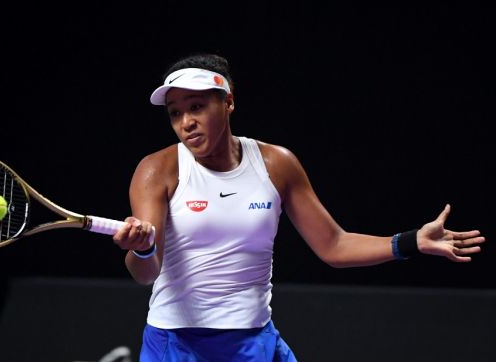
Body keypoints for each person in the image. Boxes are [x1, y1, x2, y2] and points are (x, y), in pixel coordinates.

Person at [111, 53, 485, 361]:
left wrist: (410, 241)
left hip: (255, 341)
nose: (186, 123)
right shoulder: (156, 170)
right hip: (177, 345)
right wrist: (142, 247)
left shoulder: (276, 164)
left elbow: (334, 245)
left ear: (228, 102)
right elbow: (145, 272)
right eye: (175, 113)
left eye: (197, 107)